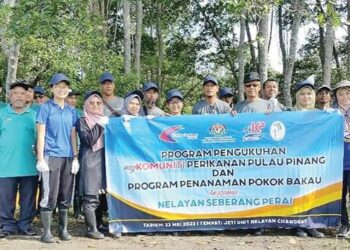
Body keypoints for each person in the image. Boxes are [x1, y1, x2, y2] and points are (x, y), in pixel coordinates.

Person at [36, 73, 79, 243]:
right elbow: (41, 133)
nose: (62, 90)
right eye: (58, 86)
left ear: (68, 90)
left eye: (64, 87)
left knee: (66, 194)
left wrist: (75, 156)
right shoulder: (45, 107)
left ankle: (63, 230)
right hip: (51, 156)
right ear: (52, 88)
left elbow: (73, 135)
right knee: (49, 194)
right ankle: (46, 232)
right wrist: (41, 158)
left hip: (68, 157)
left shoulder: (71, 110)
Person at [0, 81, 38, 237]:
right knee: (5, 199)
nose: (19, 96)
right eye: (15, 93)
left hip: (29, 165)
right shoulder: (2, 114)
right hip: (5, 165)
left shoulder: (34, 115)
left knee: (28, 198)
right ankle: (7, 225)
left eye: (22, 93)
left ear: (27, 96)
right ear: (9, 95)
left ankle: (25, 225)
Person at [292, 79, 324, 238]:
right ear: (297, 96)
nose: (306, 97)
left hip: (314, 159)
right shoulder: (289, 114)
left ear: (314, 97)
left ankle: (311, 224)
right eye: (302, 94)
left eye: (309, 94)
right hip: (294, 159)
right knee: (296, 191)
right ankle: (296, 225)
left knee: (313, 191)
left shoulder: (322, 116)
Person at [77, 91, 109, 239]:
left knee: (103, 195)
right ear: (85, 105)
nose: (95, 105)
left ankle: (100, 225)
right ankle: (91, 229)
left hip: (105, 159)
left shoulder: (106, 119)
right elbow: (89, 140)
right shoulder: (82, 120)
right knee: (91, 195)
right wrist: (99, 125)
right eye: (91, 102)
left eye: (98, 103)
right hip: (90, 160)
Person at [333, 80, 350, 238]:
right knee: (340, 195)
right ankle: (344, 224)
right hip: (337, 162)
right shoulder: (331, 114)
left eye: (348, 92)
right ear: (336, 96)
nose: (345, 96)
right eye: (341, 93)